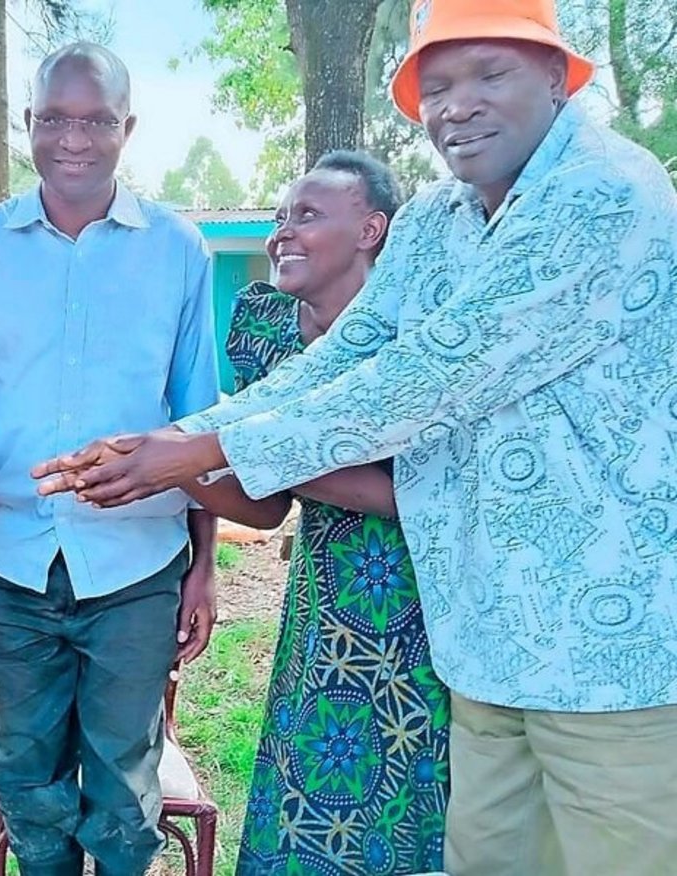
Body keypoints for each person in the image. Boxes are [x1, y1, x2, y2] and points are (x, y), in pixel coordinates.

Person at [35, 1, 677, 873]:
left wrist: (196, 457)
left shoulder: (606, 195)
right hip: (483, 640)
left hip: (611, 651)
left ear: (558, 76)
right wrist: (176, 436)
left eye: (491, 74)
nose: (457, 106)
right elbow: (343, 359)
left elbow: (424, 378)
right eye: (437, 85)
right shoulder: (436, 221)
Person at [0, 42, 221, 876]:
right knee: (25, 770)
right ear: (28, 125)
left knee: (125, 785)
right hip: (12, 561)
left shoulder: (178, 251)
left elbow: (200, 424)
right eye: (54, 118)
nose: (73, 138)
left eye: (95, 120)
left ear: (127, 127)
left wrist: (205, 566)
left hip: (136, 567)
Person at [228, 151, 449, 876]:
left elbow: (418, 494)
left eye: (309, 215)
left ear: (371, 230)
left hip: (418, 619)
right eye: (282, 216)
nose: (282, 233)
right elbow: (260, 505)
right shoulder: (263, 330)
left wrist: (240, 445)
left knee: (406, 810)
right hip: (322, 616)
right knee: (302, 803)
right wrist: (178, 464)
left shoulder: (420, 337)